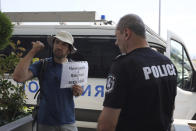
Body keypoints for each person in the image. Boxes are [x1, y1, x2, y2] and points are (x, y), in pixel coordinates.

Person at [97, 14, 177, 131]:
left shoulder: (123, 66)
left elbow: (107, 123)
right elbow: (170, 107)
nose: (116, 42)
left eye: (116, 36)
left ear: (126, 33)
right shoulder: (168, 63)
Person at [13, 30, 83, 131]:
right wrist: (33, 51)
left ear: (69, 50)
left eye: (64, 44)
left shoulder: (75, 68)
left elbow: (78, 92)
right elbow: (18, 77)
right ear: (53, 44)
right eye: (57, 42)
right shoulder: (42, 64)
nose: (59, 46)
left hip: (68, 122)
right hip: (45, 123)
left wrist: (78, 91)